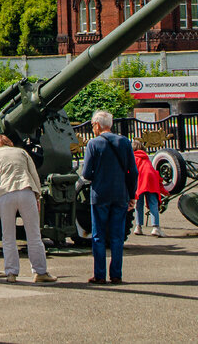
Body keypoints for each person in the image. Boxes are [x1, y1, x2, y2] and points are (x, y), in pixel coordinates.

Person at [0, 134, 55, 284]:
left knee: (8, 236)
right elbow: (33, 174)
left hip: (5, 194)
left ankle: (11, 273)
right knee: (34, 235)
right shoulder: (21, 152)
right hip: (26, 190)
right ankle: (40, 272)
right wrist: (37, 195)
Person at [80, 110, 136, 285]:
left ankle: (99, 274)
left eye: (92, 125)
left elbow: (87, 173)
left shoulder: (93, 144)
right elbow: (132, 171)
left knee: (98, 235)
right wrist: (132, 195)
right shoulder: (124, 142)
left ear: (97, 125)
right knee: (117, 236)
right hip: (121, 195)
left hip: (100, 195)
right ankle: (116, 274)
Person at [131, 140, 165, 237]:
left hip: (140, 180)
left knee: (139, 203)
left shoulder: (133, 157)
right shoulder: (145, 156)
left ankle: (138, 226)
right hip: (151, 179)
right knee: (153, 203)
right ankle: (155, 227)